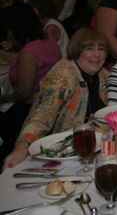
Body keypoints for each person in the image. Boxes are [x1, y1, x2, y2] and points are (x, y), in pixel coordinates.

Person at [2, 27, 109, 169]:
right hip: (62, 154)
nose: (97, 54)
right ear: (77, 50)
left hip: (93, 150)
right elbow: (44, 114)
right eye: (89, 48)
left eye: (101, 49)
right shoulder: (63, 75)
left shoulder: (103, 75)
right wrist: (23, 145)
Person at [0, 4, 62, 163]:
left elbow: (24, 92)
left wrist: (6, 98)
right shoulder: (46, 39)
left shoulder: (30, 51)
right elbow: (23, 59)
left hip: (32, 108)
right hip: (52, 102)